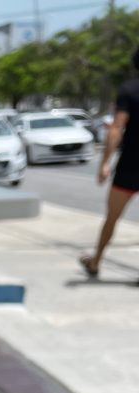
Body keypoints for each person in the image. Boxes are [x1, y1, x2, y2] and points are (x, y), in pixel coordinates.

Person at [80, 46, 139, 277]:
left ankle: (96, 261)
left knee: (112, 218)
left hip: (130, 165)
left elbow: (116, 129)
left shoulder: (129, 90)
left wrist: (104, 163)